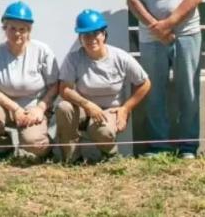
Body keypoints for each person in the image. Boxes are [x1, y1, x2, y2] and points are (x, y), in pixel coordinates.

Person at [126, 0, 204, 158]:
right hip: (151, 37)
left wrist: (169, 24)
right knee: (154, 91)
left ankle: (188, 145)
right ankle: (159, 145)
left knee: (188, 90)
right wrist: (154, 26)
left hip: (186, 33)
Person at [57, 10, 151, 163]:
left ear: (104, 35)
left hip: (109, 111)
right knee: (64, 107)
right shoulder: (74, 58)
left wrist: (126, 108)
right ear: (80, 38)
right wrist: (87, 105)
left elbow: (145, 83)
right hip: (83, 110)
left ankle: (110, 155)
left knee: (104, 132)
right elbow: (64, 89)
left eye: (96, 34)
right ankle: (72, 158)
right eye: (86, 35)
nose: (91, 39)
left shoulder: (120, 57)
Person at [0, 1, 59, 159]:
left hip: (34, 109)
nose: (17, 33)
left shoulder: (42, 51)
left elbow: (55, 85)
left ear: (29, 30)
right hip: (8, 109)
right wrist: (15, 109)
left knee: (33, 145)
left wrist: (40, 108)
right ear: (5, 28)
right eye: (12, 28)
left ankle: (46, 148)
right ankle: (4, 150)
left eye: (22, 29)